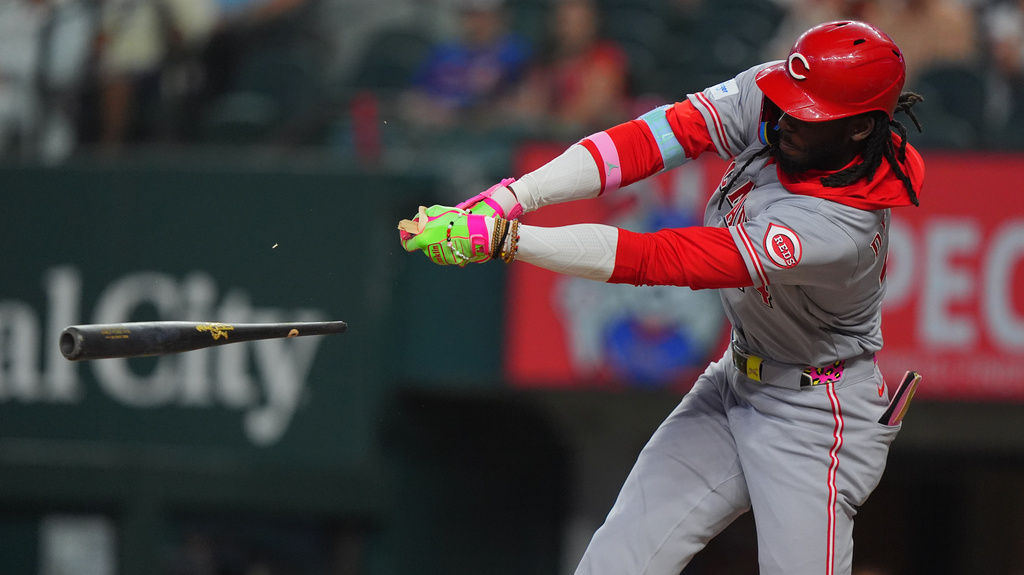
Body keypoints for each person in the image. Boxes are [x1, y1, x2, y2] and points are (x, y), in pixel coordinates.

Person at [399, 20, 925, 575]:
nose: (787, 117)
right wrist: (512, 195)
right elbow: (652, 138)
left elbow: (661, 260)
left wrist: (508, 239)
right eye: (790, 100)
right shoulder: (776, 97)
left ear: (861, 130)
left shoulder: (840, 227)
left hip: (816, 415)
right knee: (615, 561)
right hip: (736, 382)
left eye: (809, 113)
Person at [510, 0, 630, 139]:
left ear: (592, 22)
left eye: (578, 22)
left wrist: (547, 120)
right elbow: (529, 106)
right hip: (549, 141)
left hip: (594, 144)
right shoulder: (547, 62)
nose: (570, 29)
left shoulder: (606, 58)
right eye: (564, 21)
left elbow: (588, 110)